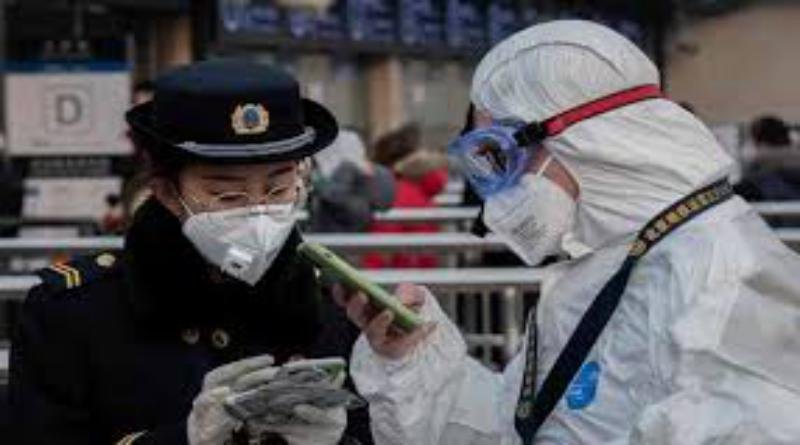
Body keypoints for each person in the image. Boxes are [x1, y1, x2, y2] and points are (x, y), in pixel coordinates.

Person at [338, 21, 800, 444]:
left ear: (587, 139)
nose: (496, 190)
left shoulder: (724, 287)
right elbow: (527, 427)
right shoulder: (610, 262)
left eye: (499, 156)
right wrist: (415, 361)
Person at [9, 60, 373, 445]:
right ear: (167, 192)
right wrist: (184, 438)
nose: (258, 210)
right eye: (226, 195)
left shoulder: (326, 303)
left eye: (279, 189)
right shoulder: (75, 312)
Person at [363, 124, 448, 269]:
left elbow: (379, 253)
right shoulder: (408, 193)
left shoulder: (399, 191)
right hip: (414, 275)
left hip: (408, 274)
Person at [307, 129, 395, 233]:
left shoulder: (346, 169)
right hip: (368, 232)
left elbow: (332, 195)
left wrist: (315, 179)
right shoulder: (381, 172)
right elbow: (385, 203)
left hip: (336, 232)